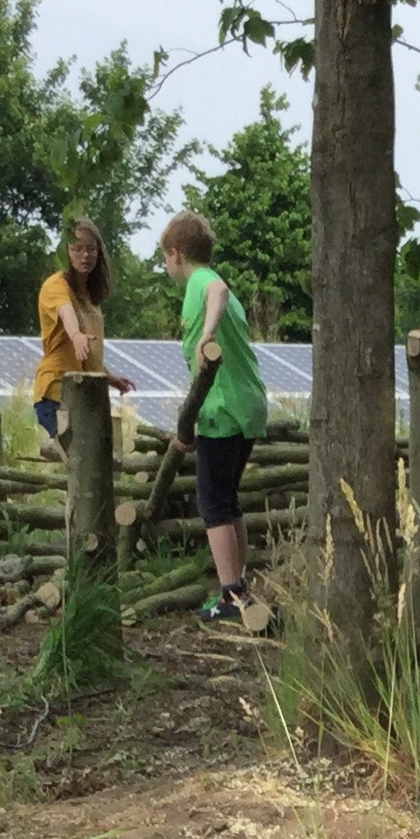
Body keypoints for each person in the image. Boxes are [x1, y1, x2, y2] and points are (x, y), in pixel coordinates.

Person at [159, 211, 270, 623]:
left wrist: (206, 334)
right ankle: (239, 586)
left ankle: (231, 593)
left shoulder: (201, 281)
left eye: (165, 260)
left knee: (212, 502)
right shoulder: (209, 286)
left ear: (176, 254)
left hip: (224, 408)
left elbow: (218, 290)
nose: (166, 268)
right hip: (245, 403)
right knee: (227, 499)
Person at [32, 218, 136, 457]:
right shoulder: (55, 286)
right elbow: (66, 312)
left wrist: (108, 377)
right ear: (65, 252)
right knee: (81, 458)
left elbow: (88, 350)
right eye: (77, 249)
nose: (85, 255)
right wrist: (76, 334)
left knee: (90, 462)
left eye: (91, 249)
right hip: (57, 393)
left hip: (87, 393)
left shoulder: (90, 295)